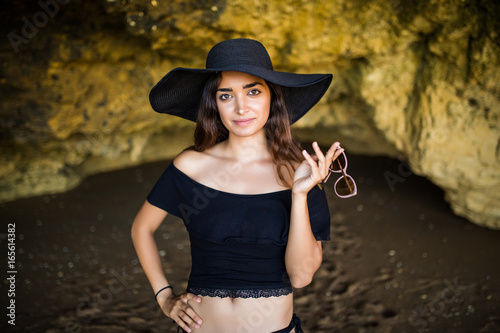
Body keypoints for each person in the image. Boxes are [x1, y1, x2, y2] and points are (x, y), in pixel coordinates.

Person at [131, 38, 347, 333]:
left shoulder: (302, 176)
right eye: (225, 96)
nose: (241, 107)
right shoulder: (190, 166)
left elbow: (301, 277)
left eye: (253, 91)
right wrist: (164, 297)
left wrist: (298, 196)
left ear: (273, 97)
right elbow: (142, 228)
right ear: (213, 104)